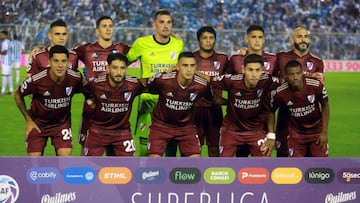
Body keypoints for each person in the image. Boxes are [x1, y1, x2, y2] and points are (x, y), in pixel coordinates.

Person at [127, 9, 184, 156]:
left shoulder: (178, 44)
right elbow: (123, 62)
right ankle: (143, 176)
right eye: (161, 22)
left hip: (170, 104)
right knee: (144, 148)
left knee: (171, 148)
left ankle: (169, 177)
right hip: (147, 104)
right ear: (154, 25)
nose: (165, 26)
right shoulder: (141, 43)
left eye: (169, 22)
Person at [73, 16, 130, 155]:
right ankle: (84, 174)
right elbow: (66, 56)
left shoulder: (121, 48)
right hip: (92, 105)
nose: (108, 28)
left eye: (110, 25)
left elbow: (143, 52)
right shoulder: (86, 49)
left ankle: (113, 176)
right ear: (97, 31)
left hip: (115, 106)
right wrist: (46, 48)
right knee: (86, 147)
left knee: (115, 150)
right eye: (104, 26)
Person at [14, 45, 83, 156]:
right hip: (37, 124)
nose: (60, 65)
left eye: (64, 61)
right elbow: (17, 94)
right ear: (50, 62)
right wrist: (28, 120)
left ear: (68, 62)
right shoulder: (37, 80)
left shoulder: (75, 77)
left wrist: (91, 102)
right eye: (56, 61)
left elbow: (89, 90)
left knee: (65, 160)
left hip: (61, 125)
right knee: (34, 164)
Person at [205, 54, 279, 157]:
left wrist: (271, 135)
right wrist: (193, 72)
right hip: (231, 131)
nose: (254, 74)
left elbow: (287, 82)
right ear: (243, 70)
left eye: (257, 70)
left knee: (265, 164)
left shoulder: (267, 80)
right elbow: (210, 79)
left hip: (255, 131)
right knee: (223, 166)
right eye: (250, 70)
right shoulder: (232, 80)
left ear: (262, 70)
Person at [227, 25, 278, 157]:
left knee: (264, 158)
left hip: (263, 119)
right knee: (240, 157)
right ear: (246, 39)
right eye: (253, 37)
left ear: (264, 40)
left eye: (260, 37)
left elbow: (281, 83)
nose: (257, 40)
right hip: (239, 120)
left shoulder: (273, 59)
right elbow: (226, 82)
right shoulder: (236, 59)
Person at [147, 51, 211, 157]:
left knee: (195, 161)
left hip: (186, 128)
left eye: (192, 66)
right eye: (185, 65)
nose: (189, 70)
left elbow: (210, 99)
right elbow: (149, 86)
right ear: (177, 66)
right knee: (154, 160)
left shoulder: (202, 85)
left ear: (196, 67)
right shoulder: (163, 80)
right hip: (161, 126)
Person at [275, 27, 325, 157]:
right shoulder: (281, 57)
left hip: (308, 117)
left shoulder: (317, 62)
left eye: (306, 36)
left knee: (311, 160)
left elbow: (320, 87)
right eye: (299, 36)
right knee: (284, 157)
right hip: (285, 115)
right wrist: (245, 52)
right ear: (292, 39)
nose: (303, 39)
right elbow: (264, 63)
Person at [83, 53, 145, 156]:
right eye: (115, 68)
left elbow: (155, 83)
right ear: (108, 68)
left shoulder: (133, 84)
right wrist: (90, 101)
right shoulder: (96, 84)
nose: (119, 72)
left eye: (122, 68)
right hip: (98, 132)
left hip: (122, 132)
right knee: (89, 167)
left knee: (130, 167)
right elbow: (81, 88)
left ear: (126, 69)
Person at [268, 60, 329, 157]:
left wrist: (324, 131)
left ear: (302, 74)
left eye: (298, 73)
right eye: (291, 74)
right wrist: (271, 134)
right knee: (295, 167)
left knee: (321, 166)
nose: (295, 77)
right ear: (286, 76)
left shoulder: (316, 85)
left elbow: (325, 105)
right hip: (296, 136)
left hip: (316, 133)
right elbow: (271, 111)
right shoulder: (280, 92)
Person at [192, 26, 228, 157]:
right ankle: (195, 175)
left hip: (214, 109)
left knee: (214, 148)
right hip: (194, 109)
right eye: (204, 38)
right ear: (198, 40)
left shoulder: (223, 59)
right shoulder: (191, 59)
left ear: (215, 40)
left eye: (211, 38)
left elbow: (230, 80)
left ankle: (214, 175)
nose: (208, 41)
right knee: (195, 149)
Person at [0, 30, 12, 95]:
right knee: (9, 76)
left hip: (6, 61)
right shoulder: (8, 41)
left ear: (5, 35)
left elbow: (5, 52)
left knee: (4, 75)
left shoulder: (5, 42)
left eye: (1, 35)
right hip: (8, 61)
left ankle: (3, 91)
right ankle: (11, 90)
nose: (0, 36)